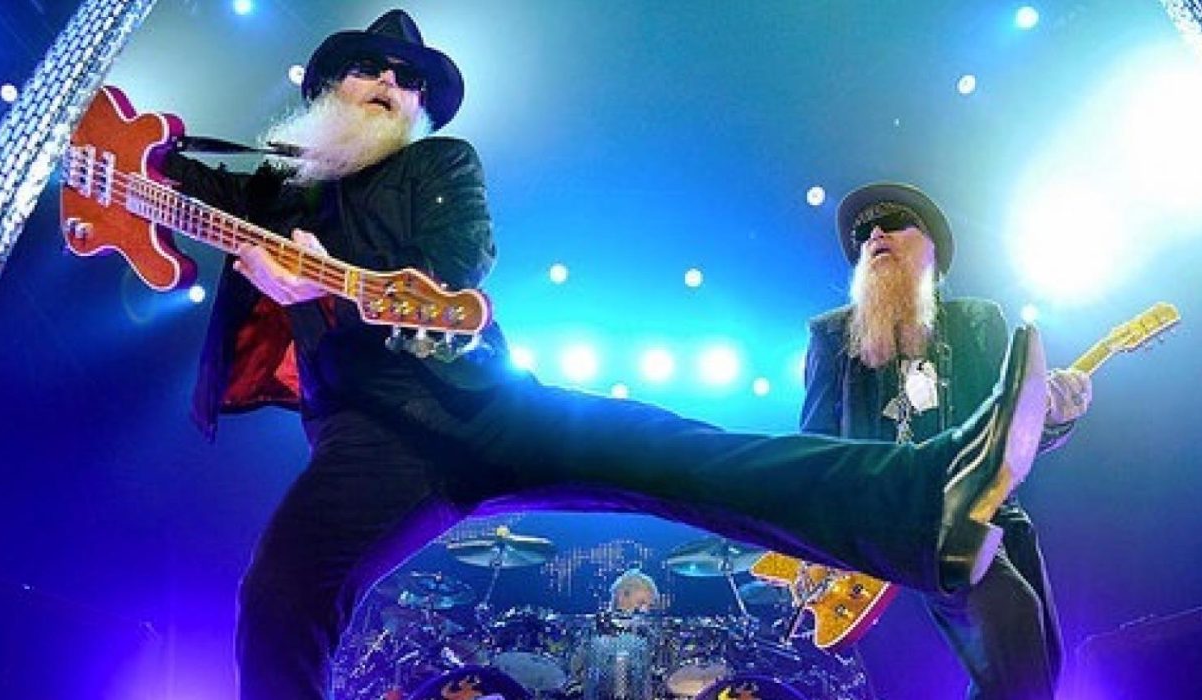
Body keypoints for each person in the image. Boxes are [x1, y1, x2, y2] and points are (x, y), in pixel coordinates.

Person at [148, 10, 1051, 700]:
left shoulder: (441, 166)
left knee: (687, 453)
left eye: (409, 80)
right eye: (371, 69)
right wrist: (112, 171)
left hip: (487, 405)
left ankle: (926, 499)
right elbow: (150, 176)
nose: (391, 82)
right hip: (366, 437)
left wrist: (330, 278)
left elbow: (459, 270)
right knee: (277, 596)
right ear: (329, 87)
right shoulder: (274, 187)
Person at [800, 183, 1093, 700]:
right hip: (880, 527)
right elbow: (814, 447)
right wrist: (810, 546)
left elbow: (1011, 437)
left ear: (932, 245)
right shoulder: (832, 337)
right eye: (861, 234)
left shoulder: (978, 322)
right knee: (1003, 630)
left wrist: (1055, 417)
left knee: (1037, 665)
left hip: (981, 516)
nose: (874, 234)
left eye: (891, 221)